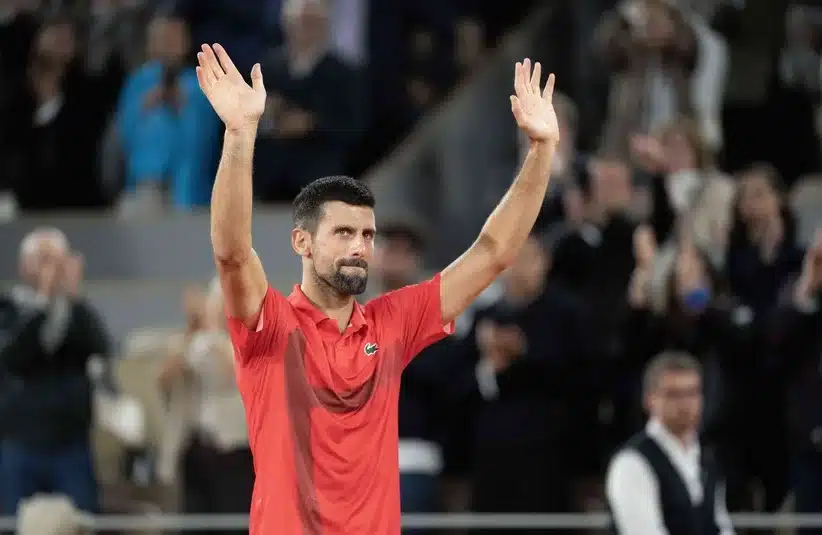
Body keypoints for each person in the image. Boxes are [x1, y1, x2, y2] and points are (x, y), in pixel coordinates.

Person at [195, 41, 559, 534]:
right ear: (302, 242)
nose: (359, 247)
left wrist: (541, 151)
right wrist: (240, 135)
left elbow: (492, 253)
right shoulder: (271, 326)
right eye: (343, 233)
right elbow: (233, 253)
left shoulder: (392, 324)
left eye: (367, 235)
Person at [0, 228, 111, 515]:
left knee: (81, 521)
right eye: (43, 259)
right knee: (14, 521)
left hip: (71, 444)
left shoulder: (77, 313)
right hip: (20, 441)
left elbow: (101, 346)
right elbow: (12, 356)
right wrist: (43, 303)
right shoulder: (8, 309)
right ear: (24, 266)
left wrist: (74, 297)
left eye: (58, 260)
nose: (52, 269)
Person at [605, 352, 735, 535]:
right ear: (649, 400)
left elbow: (721, 526)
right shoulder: (632, 462)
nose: (685, 403)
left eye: (692, 393)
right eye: (673, 395)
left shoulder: (707, 459)